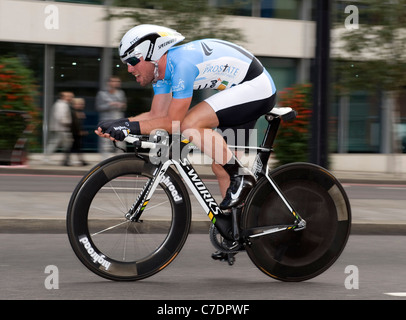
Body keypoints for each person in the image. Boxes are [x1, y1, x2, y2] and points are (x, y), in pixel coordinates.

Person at [95, 24, 276, 212]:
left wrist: (127, 127)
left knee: (190, 124)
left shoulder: (181, 65)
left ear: (152, 54)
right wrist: (120, 124)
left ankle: (242, 177)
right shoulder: (161, 74)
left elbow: (172, 123)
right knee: (221, 168)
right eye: (126, 63)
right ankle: (239, 229)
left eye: (133, 60)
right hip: (241, 93)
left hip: (256, 87)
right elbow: (156, 116)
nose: (130, 69)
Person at [95, 76, 127, 157]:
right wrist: (109, 105)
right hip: (106, 121)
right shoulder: (102, 94)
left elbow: (124, 107)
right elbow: (98, 107)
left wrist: (122, 105)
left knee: (120, 140)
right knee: (105, 142)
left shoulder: (121, 93)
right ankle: (105, 161)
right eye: (114, 81)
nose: (116, 83)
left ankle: (120, 160)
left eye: (118, 81)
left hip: (119, 120)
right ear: (109, 83)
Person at [45, 91, 74, 165]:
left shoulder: (62, 104)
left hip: (61, 128)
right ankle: (47, 158)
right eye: (68, 96)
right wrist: (67, 123)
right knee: (59, 143)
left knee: (62, 143)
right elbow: (59, 116)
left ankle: (66, 159)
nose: (70, 98)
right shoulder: (61, 105)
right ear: (63, 97)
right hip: (61, 128)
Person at [65, 97, 88, 166]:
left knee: (76, 147)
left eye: (82, 104)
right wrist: (79, 131)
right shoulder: (73, 112)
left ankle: (67, 161)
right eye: (79, 104)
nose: (81, 106)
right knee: (76, 147)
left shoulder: (78, 112)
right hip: (75, 133)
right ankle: (81, 161)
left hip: (75, 132)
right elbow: (75, 123)